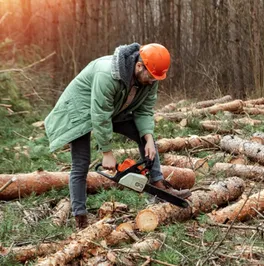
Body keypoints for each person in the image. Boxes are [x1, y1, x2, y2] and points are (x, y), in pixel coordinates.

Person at [44, 43, 191, 230]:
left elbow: (144, 110)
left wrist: (148, 138)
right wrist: (107, 152)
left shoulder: (151, 77)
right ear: (139, 66)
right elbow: (100, 114)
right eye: (151, 77)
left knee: (145, 137)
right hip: (80, 111)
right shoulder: (108, 74)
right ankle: (80, 216)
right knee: (81, 163)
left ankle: (158, 185)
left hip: (115, 109)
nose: (153, 81)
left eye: (156, 78)